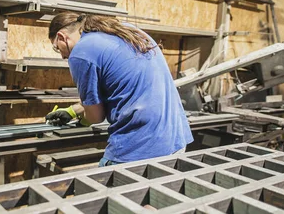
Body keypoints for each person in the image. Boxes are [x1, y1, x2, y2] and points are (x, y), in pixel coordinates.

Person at [45, 12, 193, 167]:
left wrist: (83, 120)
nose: (62, 56)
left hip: (141, 146)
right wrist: (73, 111)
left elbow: (96, 117)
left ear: (62, 37)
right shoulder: (123, 30)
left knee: (101, 188)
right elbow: (124, 89)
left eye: (57, 48)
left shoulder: (81, 53)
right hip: (175, 140)